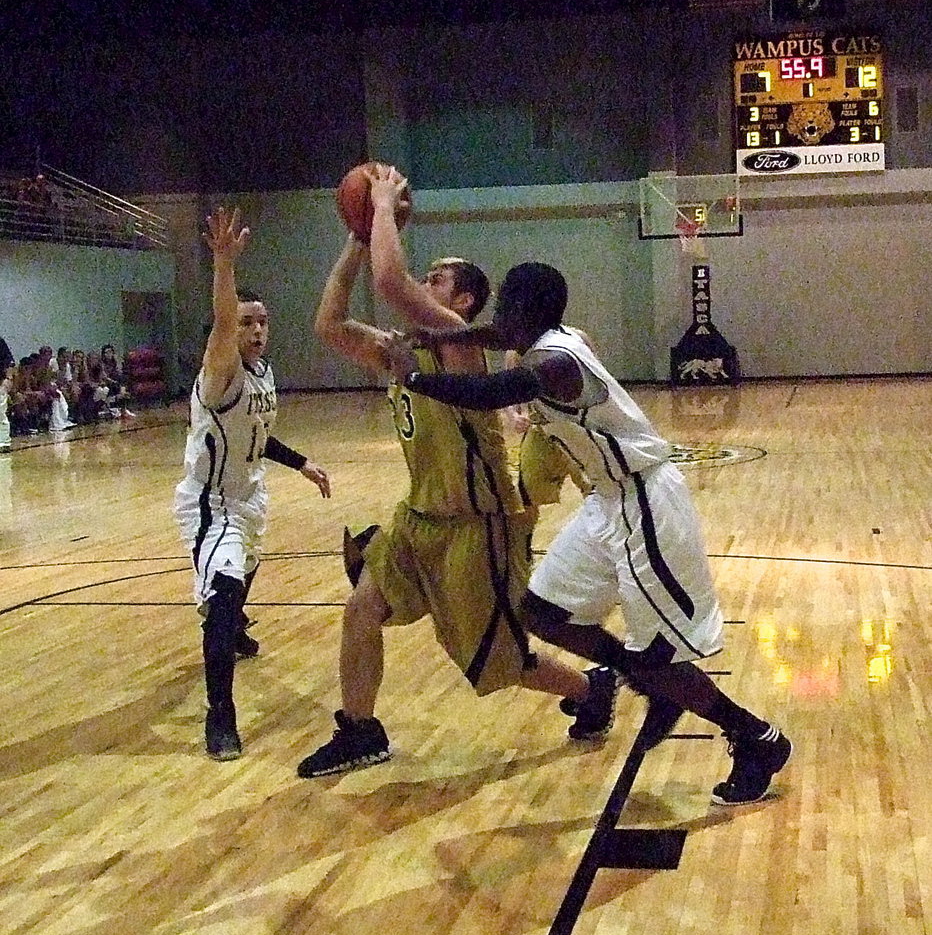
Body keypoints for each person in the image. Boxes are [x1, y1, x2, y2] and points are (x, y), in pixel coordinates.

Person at [382, 261, 792, 806]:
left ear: (523, 311)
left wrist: (411, 373)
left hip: (646, 501)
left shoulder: (555, 361)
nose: (498, 315)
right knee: (544, 614)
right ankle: (644, 681)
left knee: (660, 659)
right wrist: (435, 334)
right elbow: (493, 334)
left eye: (505, 303)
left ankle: (755, 736)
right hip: (608, 502)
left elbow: (491, 390)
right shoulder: (547, 333)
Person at [296, 168, 620, 778]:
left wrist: (385, 207)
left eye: (437, 278)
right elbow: (328, 324)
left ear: (463, 301)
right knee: (362, 607)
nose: (424, 282)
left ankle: (589, 688)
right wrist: (357, 236)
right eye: (426, 276)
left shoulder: (458, 341)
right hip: (418, 521)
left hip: (480, 528)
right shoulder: (401, 345)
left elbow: (390, 282)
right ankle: (360, 730)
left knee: (501, 668)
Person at [173, 206, 332, 761]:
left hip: (251, 493)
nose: (256, 330)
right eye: (246, 322)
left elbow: (257, 437)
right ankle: (220, 716)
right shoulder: (221, 372)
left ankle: (233, 625)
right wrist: (223, 266)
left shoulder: (264, 373)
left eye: (262, 321)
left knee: (244, 574)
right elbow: (221, 324)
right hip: (212, 503)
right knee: (222, 594)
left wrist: (303, 463)